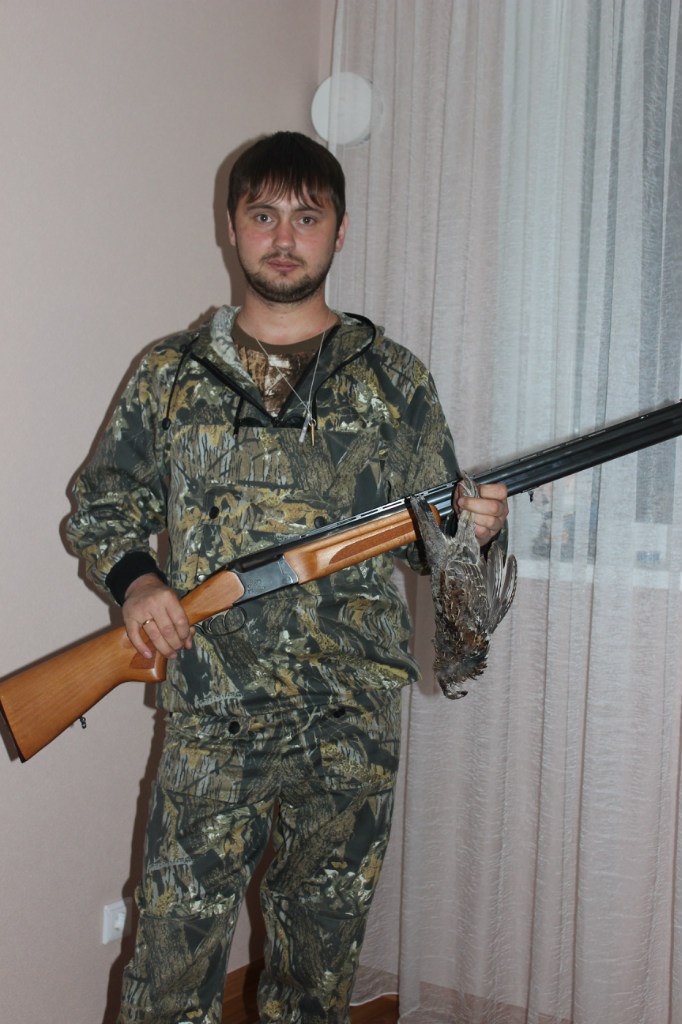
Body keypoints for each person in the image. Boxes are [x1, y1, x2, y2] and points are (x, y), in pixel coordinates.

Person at [66, 131, 509, 1024]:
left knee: (317, 973)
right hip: (212, 715)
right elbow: (102, 505)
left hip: (349, 726)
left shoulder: (394, 381)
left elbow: (440, 561)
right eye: (262, 215)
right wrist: (142, 584)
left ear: (340, 231)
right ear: (230, 227)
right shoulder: (171, 374)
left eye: (306, 218)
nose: (282, 237)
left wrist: (475, 536)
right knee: (168, 968)